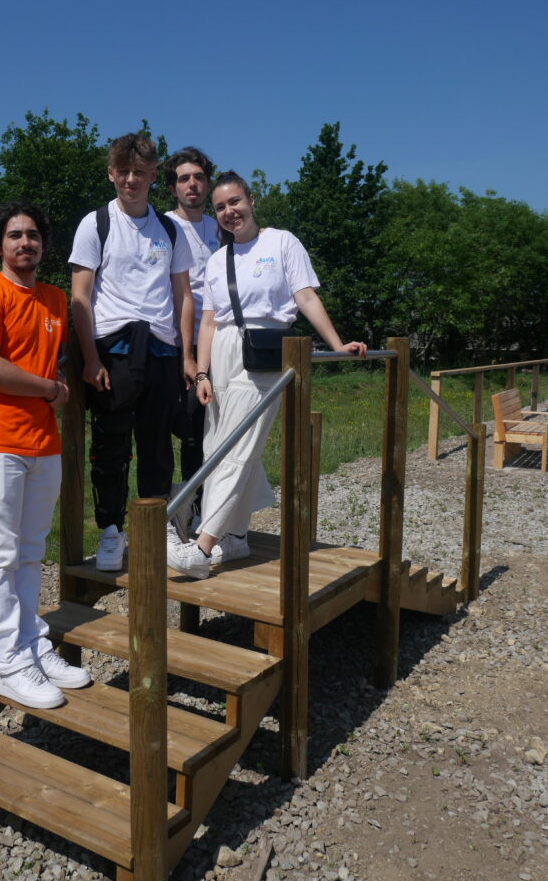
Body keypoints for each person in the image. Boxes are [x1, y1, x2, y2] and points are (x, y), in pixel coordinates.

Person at [167, 172, 367, 579]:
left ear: (251, 200)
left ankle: (202, 547)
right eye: (221, 207)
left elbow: (305, 296)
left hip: (264, 353)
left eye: (235, 202)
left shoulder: (281, 242)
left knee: (236, 447)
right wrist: (202, 373)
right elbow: (209, 320)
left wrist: (336, 344)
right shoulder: (218, 259)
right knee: (216, 445)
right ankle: (235, 536)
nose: (229, 212)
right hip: (221, 354)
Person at [0, 202, 91, 710]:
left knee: (31, 551)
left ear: (43, 244)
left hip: (42, 443)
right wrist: (50, 390)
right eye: (15, 235)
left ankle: (33, 644)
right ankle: (8, 663)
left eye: (33, 234)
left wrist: (54, 384)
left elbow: (47, 359)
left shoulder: (54, 298)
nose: (25, 242)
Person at [69, 133, 195, 571]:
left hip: (161, 348)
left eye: (139, 172)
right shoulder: (96, 223)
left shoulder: (170, 229)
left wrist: (186, 356)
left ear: (154, 175)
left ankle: (155, 526)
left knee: (158, 443)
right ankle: (111, 530)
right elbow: (80, 296)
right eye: (123, 171)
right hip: (114, 346)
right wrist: (90, 358)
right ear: (111, 173)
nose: (130, 180)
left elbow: (184, 296)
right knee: (111, 442)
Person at [164, 147, 221, 540]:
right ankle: (176, 508)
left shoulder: (222, 228)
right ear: (172, 187)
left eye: (199, 177)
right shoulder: (163, 226)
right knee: (181, 428)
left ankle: (203, 507)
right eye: (184, 178)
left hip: (217, 342)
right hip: (173, 343)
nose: (192, 184)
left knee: (211, 429)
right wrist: (185, 354)